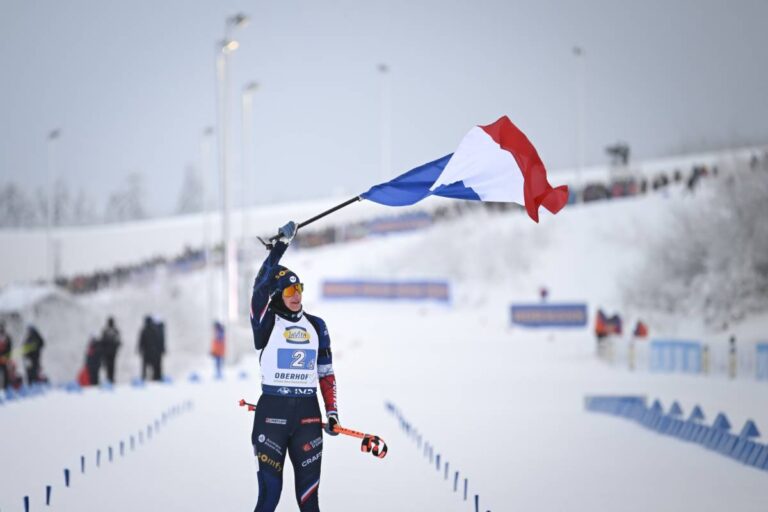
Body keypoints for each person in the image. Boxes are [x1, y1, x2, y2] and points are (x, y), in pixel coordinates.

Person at [249, 221, 340, 512]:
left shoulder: (316, 326)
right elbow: (260, 287)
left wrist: (333, 412)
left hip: (307, 418)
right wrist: (279, 248)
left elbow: (326, 373)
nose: (296, 295)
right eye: (288, 292)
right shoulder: (265, 323)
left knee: (309, 500)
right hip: (272, 416)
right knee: (269, 496)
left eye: (298, 288)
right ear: (278, 296)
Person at [138, 316, 164, 381]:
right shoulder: (155, 330)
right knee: (155, 366)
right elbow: (159, 340)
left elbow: (141, 341)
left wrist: (140, 349)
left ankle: (144, 377)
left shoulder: (144, 330)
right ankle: (156, 377)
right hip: (154, 351)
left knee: (145, 366)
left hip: (146, 352)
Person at [100, 317, 122, 383]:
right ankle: (111, 379)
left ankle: (109, 379)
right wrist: (116, 348)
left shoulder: (105, 331)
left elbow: (102, 342)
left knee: (108, 367)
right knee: (112, 367)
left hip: (107, 353)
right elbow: (118, 342)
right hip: (113, 353)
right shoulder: (115, 331)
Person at [0, 322, 12, 389]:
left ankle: (6, 387)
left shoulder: (7, 337)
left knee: (5, 374)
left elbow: (9, 348)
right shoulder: (7, 337)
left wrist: (7, 357)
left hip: (4, 358)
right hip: (3, 358)